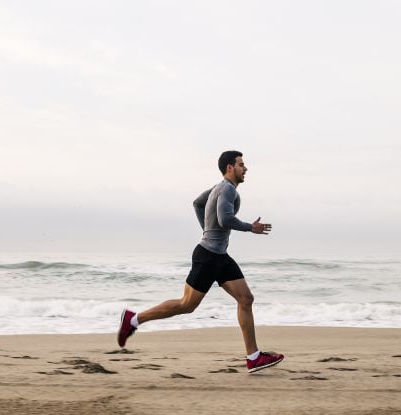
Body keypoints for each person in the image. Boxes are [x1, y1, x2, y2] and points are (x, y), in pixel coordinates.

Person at [117, 150, 284, 373]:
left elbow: (197, 204)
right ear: (229, 168)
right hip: (208, 257)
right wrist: (249, 227)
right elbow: (225, 219)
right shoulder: (227, 190)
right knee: (186, 305)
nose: (246, 169)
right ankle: (133, 320)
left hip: (219, 257)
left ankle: (253, 357)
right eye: (241, 164)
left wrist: (207, 229)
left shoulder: (219, 188)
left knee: (245, 298)